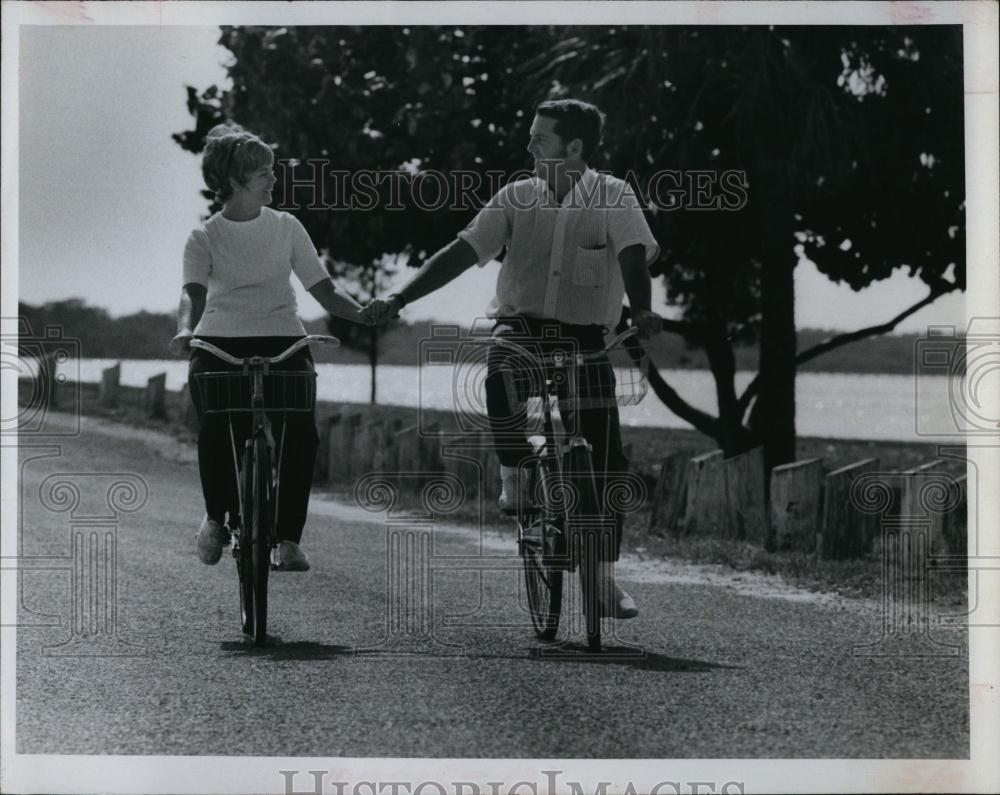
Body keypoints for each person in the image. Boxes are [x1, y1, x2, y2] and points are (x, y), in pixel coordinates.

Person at [364, 99, 661, 618]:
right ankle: (515, 471)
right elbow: (461, 252)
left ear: (574, 148)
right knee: (501, 368)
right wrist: (398, 300)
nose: (528, 147)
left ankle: (602, 577)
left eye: (540, 139)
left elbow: (633, 255)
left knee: (608, 461)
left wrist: (643, 310)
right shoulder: (516, 197)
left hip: (587, 335)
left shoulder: (615, 197)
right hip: (521, 326)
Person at [170, 123, 369, 572]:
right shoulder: (204, 237)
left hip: (283, 338)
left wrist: (365, 314)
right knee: (216, 428)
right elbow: (193, 294)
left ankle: (287, 539)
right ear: (233, 180)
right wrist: (186, 330)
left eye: (271, 170)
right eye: (262, 171)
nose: (272, 179)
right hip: (219, 342)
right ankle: (217, 517)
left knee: (302, 429)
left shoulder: (287, 227)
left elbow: (324, 289)